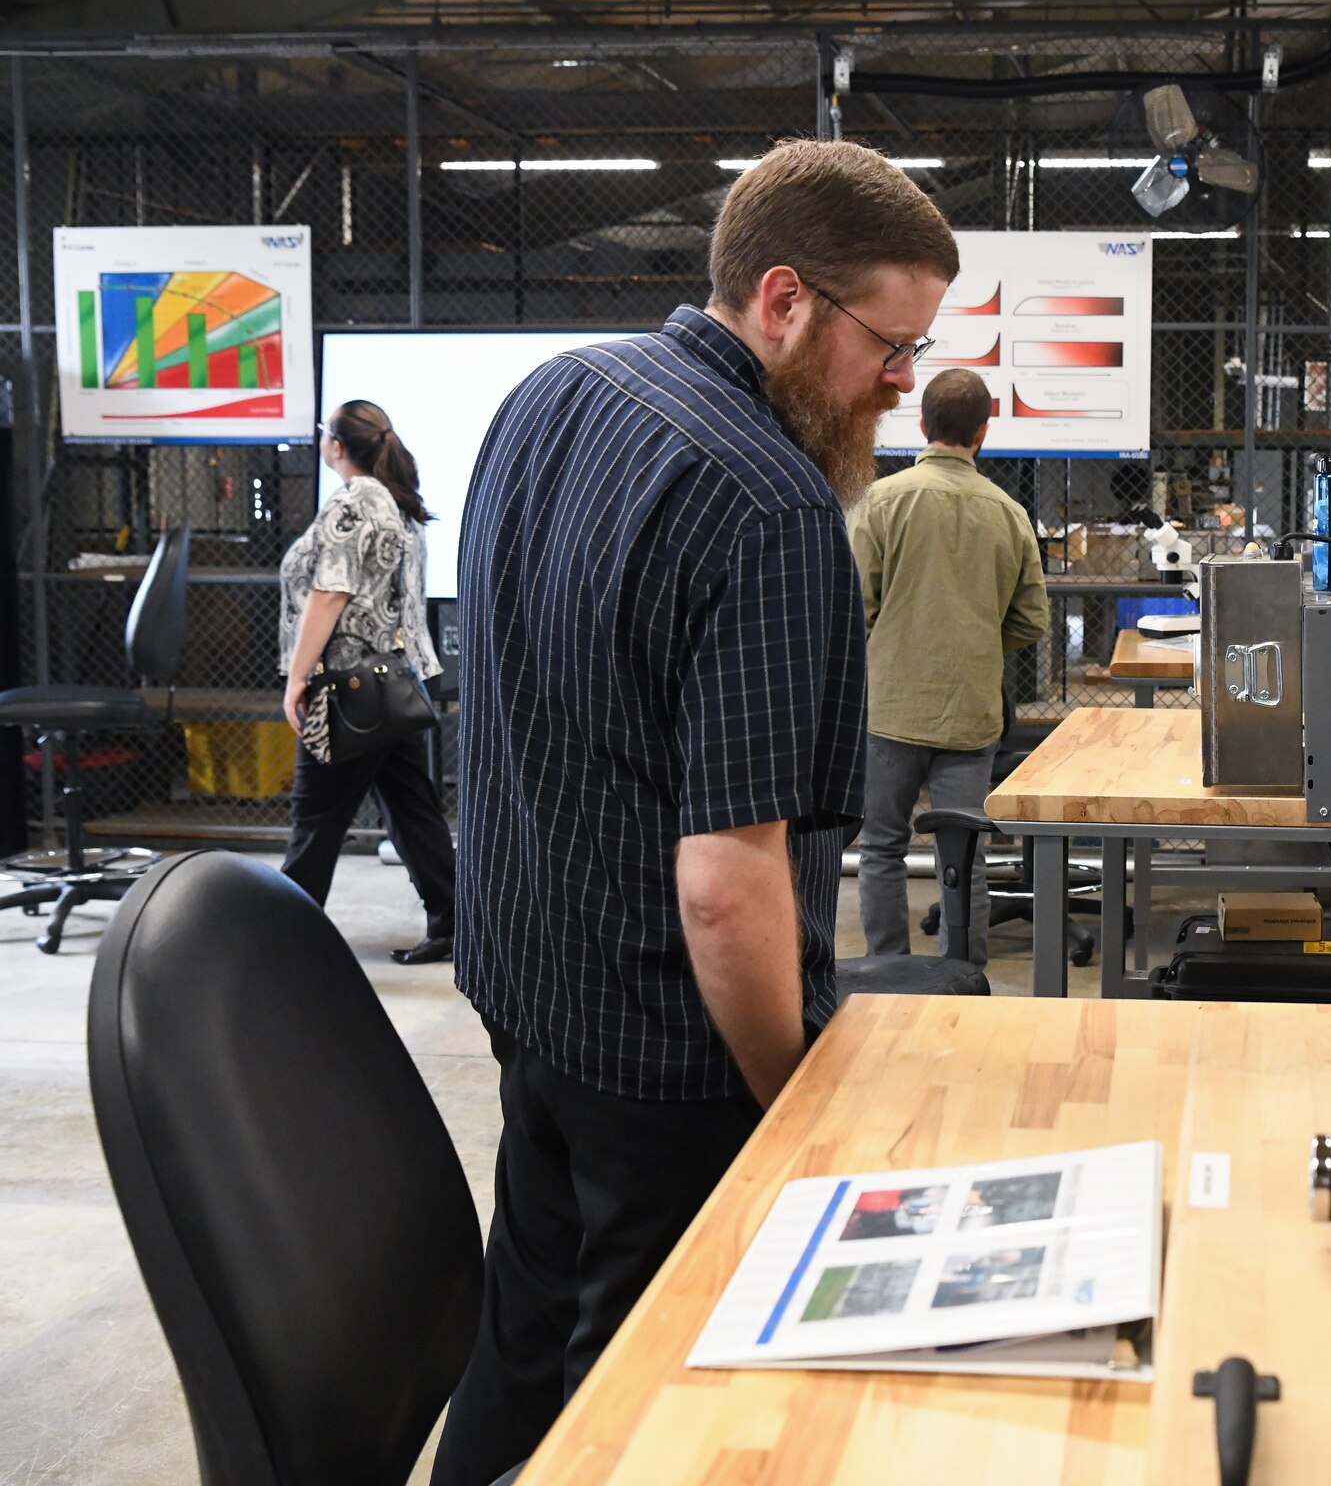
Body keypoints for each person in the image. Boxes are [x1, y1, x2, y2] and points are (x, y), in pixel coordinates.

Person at [431, 139, 959, 1486]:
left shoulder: (553, 392)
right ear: (784, 301)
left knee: (528, 1333)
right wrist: (794, 1102)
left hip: (532, 998)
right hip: (668, 1063)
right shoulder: (772, 508)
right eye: (890, 345)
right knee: (652, 1412)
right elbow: (730, 880)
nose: (903, 383)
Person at [848, 368, 1048, 965]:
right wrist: (977, 646)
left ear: (920, 424)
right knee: (964, 855)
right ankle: (966, 974)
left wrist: (893, 647)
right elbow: (1031, 619)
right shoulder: (1009, 513)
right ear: (983, 432)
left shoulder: (879, 501)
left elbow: (855, 603)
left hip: (889, 710)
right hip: (971, 715)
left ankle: (886, 970)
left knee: (881, 848)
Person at [277, 399, 454, 965]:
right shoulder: (399, 501)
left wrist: (298, 678)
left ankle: (285, 943)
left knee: (316, 816)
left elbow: (331, 593)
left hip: (347, 690)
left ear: (336, 447)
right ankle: (456, 924)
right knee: (411, 810)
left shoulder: (354, 501)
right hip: (395, 686)